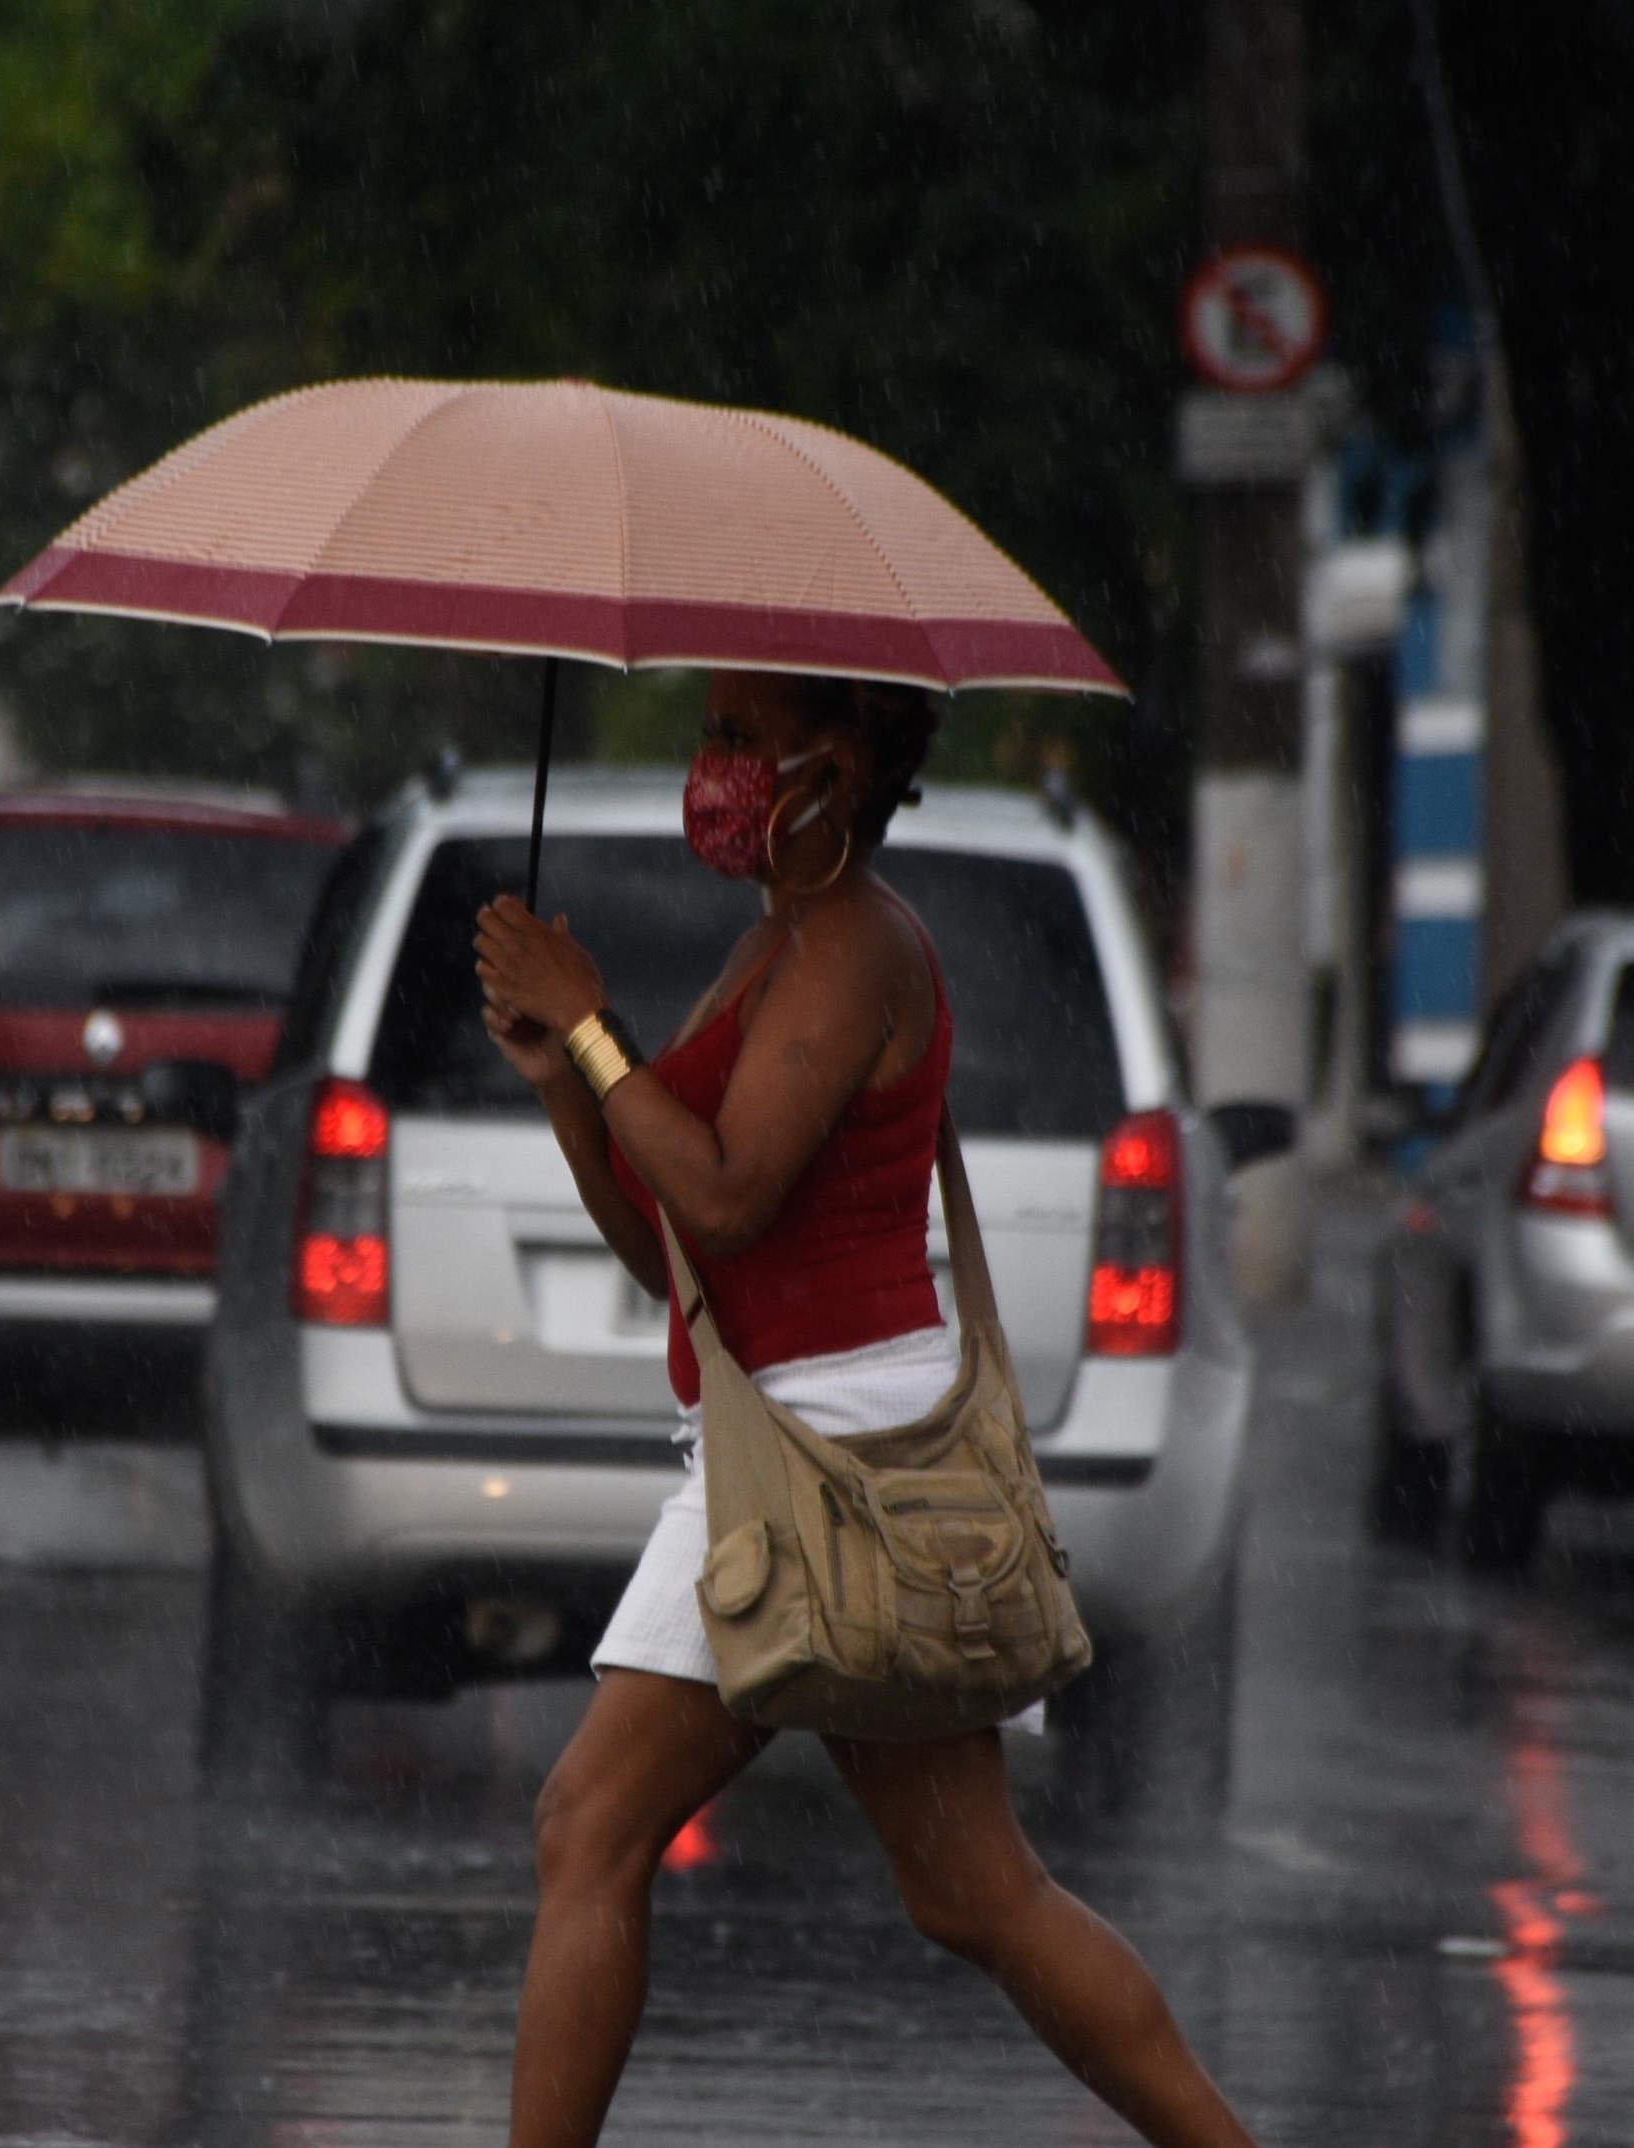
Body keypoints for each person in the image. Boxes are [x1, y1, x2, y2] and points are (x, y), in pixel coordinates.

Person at [472, 669, 1262, 2148]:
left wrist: (596, 1030)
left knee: (590, 1827)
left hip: (825, 1457)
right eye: (709, 734)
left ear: (833, 768)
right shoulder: (778, 947)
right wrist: (566, 1077)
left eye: (735, 740)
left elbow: (724, 1186)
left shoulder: (848, 949)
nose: (708, 767)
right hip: (793, 1432)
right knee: (975, 1894)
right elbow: (673, 1250)